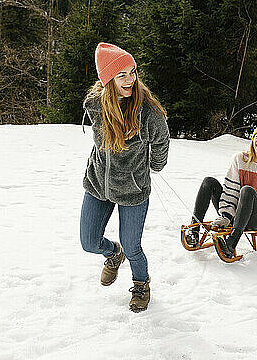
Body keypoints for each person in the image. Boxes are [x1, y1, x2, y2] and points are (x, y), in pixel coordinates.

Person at [80, 42, 170, 312]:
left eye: (132, 72)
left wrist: (154, 165)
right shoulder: (95, 106)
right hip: (98, 184)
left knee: (133, 246)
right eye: (122, 75)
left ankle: (141, 283)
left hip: (132, 190)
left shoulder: (147, 111)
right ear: (108, 79)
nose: (130, 79)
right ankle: (112, 253)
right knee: (89, 242)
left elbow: (162, 140)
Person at [186, 124, 257, 258]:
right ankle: (194, 230)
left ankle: (231, 243)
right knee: (208, 182)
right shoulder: (240, 159)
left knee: (247, 191)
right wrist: (226, 216)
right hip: (235, 212)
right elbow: (231, 189)